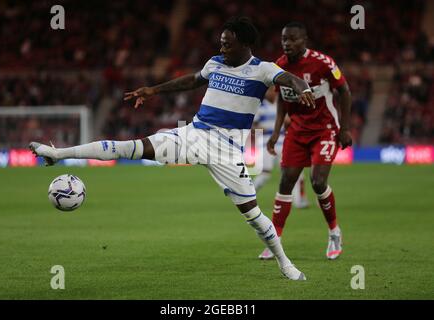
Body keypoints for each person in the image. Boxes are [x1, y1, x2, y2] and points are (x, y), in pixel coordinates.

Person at [29, 17, 315, 280]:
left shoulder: (262, 69)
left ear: (244, 44)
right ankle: (58, 153)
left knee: (252, 214)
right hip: (194, 134)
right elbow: (192, 80)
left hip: (227, 151)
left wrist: (302, 88)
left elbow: (289, 78)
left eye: (227, 43)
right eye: (221, 42)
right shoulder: (215, 62)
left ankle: (284, 263)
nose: (222, 46)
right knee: (131, 148)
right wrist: (154, 90)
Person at [258, 22, 352, 260]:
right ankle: (275, 241)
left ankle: (334, 232)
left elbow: (345, 92)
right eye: (283, 39)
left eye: (292, 39)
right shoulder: (279, 66)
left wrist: (345, 128)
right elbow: (281, 99)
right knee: (285, 182)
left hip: (325, 130)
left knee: (318, 182)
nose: (286, 44)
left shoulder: (323, 63)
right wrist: (277, 131)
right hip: (297, 132)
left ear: (304, 40)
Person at [252, 87, 309, 209]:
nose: (271, 92)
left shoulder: (282, 104)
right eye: (269, 90)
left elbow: (290, 121)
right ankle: (247, 195)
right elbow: (253, 127)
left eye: (273, 90)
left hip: (283, 142)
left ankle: (299, 202)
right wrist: (263, 130)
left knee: (292, 172)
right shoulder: (259, 107)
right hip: (265, 143)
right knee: (265, 174)